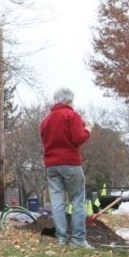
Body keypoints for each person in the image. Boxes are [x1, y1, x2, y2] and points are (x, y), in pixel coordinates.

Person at [39, 87, 91, 247]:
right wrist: (87, 130)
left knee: (57, 202)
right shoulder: (72, 115)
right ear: (69, 100)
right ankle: (78, 239)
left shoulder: (46, 120)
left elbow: (44, 141)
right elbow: (78, 138)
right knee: (77, 200)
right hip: (70, 163)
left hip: (51, 165)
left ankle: (61, 238)